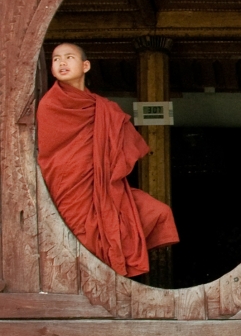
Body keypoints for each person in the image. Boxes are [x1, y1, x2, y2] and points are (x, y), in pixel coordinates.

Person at [37, 43, 179, 278]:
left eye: (69, 57)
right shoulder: (49, 105)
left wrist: (107, 167)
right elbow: (49, 152)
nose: (62, 63)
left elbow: (123, 149)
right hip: (68, 187)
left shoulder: (104, 108)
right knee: (83, 239)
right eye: (56, 59)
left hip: (103, 184)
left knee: (157, 212)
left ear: (86, 66)